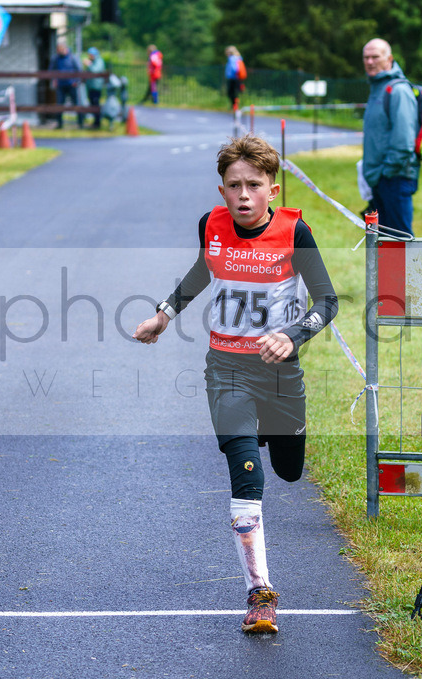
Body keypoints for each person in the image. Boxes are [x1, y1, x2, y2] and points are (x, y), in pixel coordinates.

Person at [133, 135, 338, 633]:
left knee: (289, 470)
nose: (243, 195)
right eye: (233, 186)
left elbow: (327, 302)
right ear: (221, 190)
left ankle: (268, 431)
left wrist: (292, 336)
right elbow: (206, 267)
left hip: (280, 373)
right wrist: (165, 312)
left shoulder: (296, 231)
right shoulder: (212, 225)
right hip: (226, 368)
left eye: (253, 185)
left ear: (273, 188)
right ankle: (260, 594)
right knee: (248, 477)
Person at [361, 38, 419, 236]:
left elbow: (404, 142)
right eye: (366, 57)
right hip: (380, 180)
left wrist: (384, 172)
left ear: (389, 59)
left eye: (375, 57)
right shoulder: (377, 88)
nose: (370, 62)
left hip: (395, 178)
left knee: (400, 242)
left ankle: (409, 270)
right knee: (385, 243)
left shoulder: (398, 91)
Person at [50, 38, 81, 129]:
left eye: (59, 49)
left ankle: (80, 123)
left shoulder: (72, 58)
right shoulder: (56, 58)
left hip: (72, 84)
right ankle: (59, 124)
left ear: (64, 48)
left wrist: (76, 81)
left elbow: (79, 70)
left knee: (76, 104)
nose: (58, 51)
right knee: (60, 104)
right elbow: (51, 70)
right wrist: (54, 80)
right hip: (60, 85)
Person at [83, 47, 107, 130]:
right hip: (90, 86)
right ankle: (95, 122)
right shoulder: (93, 61)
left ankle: (97, 123)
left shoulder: (99, 61)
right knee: (92, 104)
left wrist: (89, 64)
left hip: (96, 86)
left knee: (96, 104)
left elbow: (95, 71)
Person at [224, 46, 246, 110]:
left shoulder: (232, 58)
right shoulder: (238, 58)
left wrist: (231, 74)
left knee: (231, 92)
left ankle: (234, 105)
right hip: (238, 78)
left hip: (233, 78)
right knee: (235, 92)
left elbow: (234, 68)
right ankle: (236, 105)